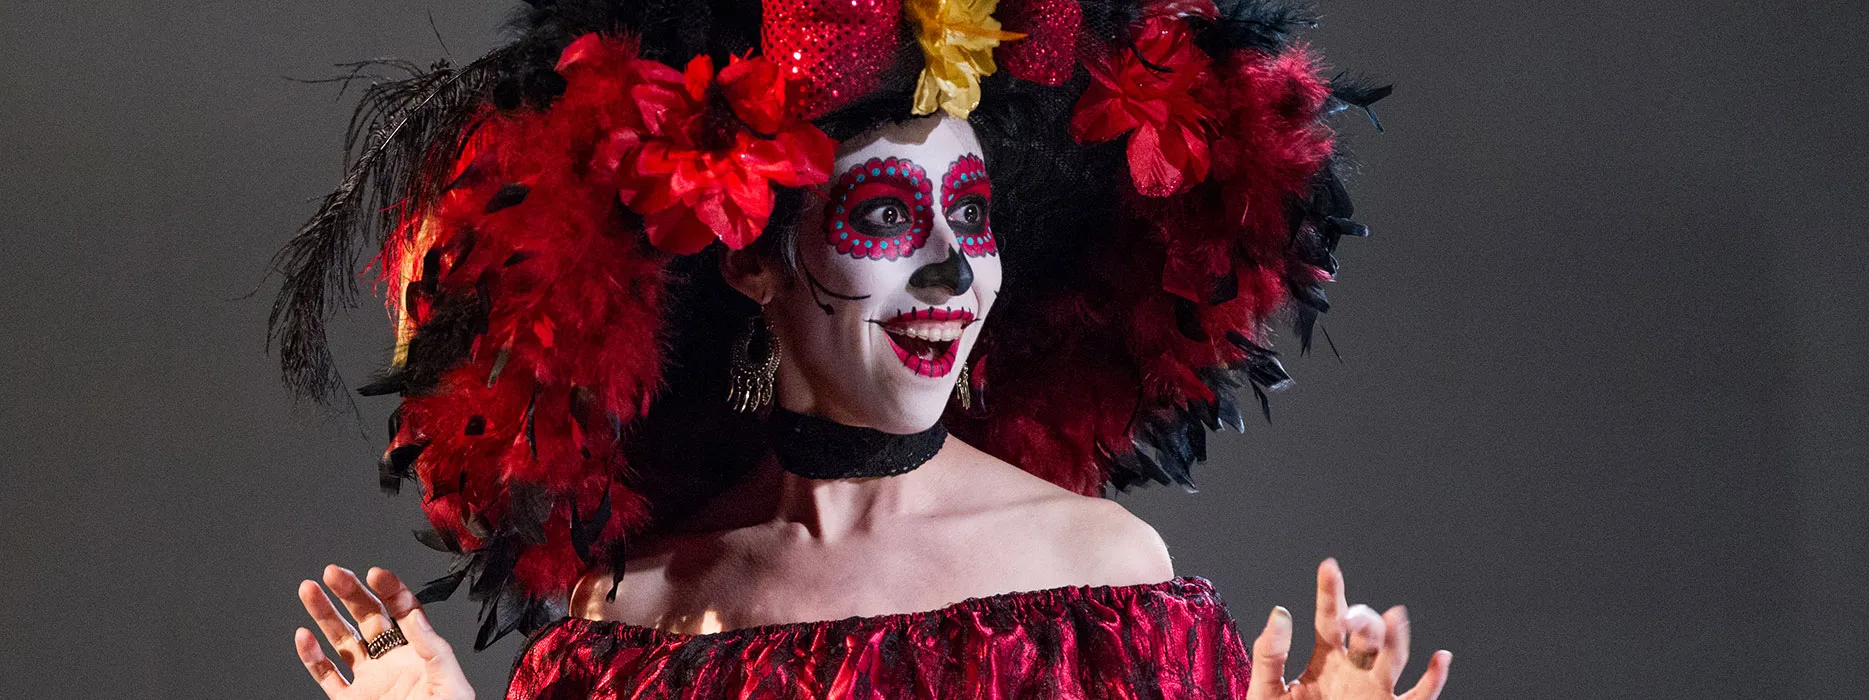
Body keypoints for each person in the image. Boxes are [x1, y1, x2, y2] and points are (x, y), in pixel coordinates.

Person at [273, 0, 1450, 697]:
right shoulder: (633, 621)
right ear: (750, 258)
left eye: (972, 216)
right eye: (887, 214)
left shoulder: (1102, 582)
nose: (954, 271)